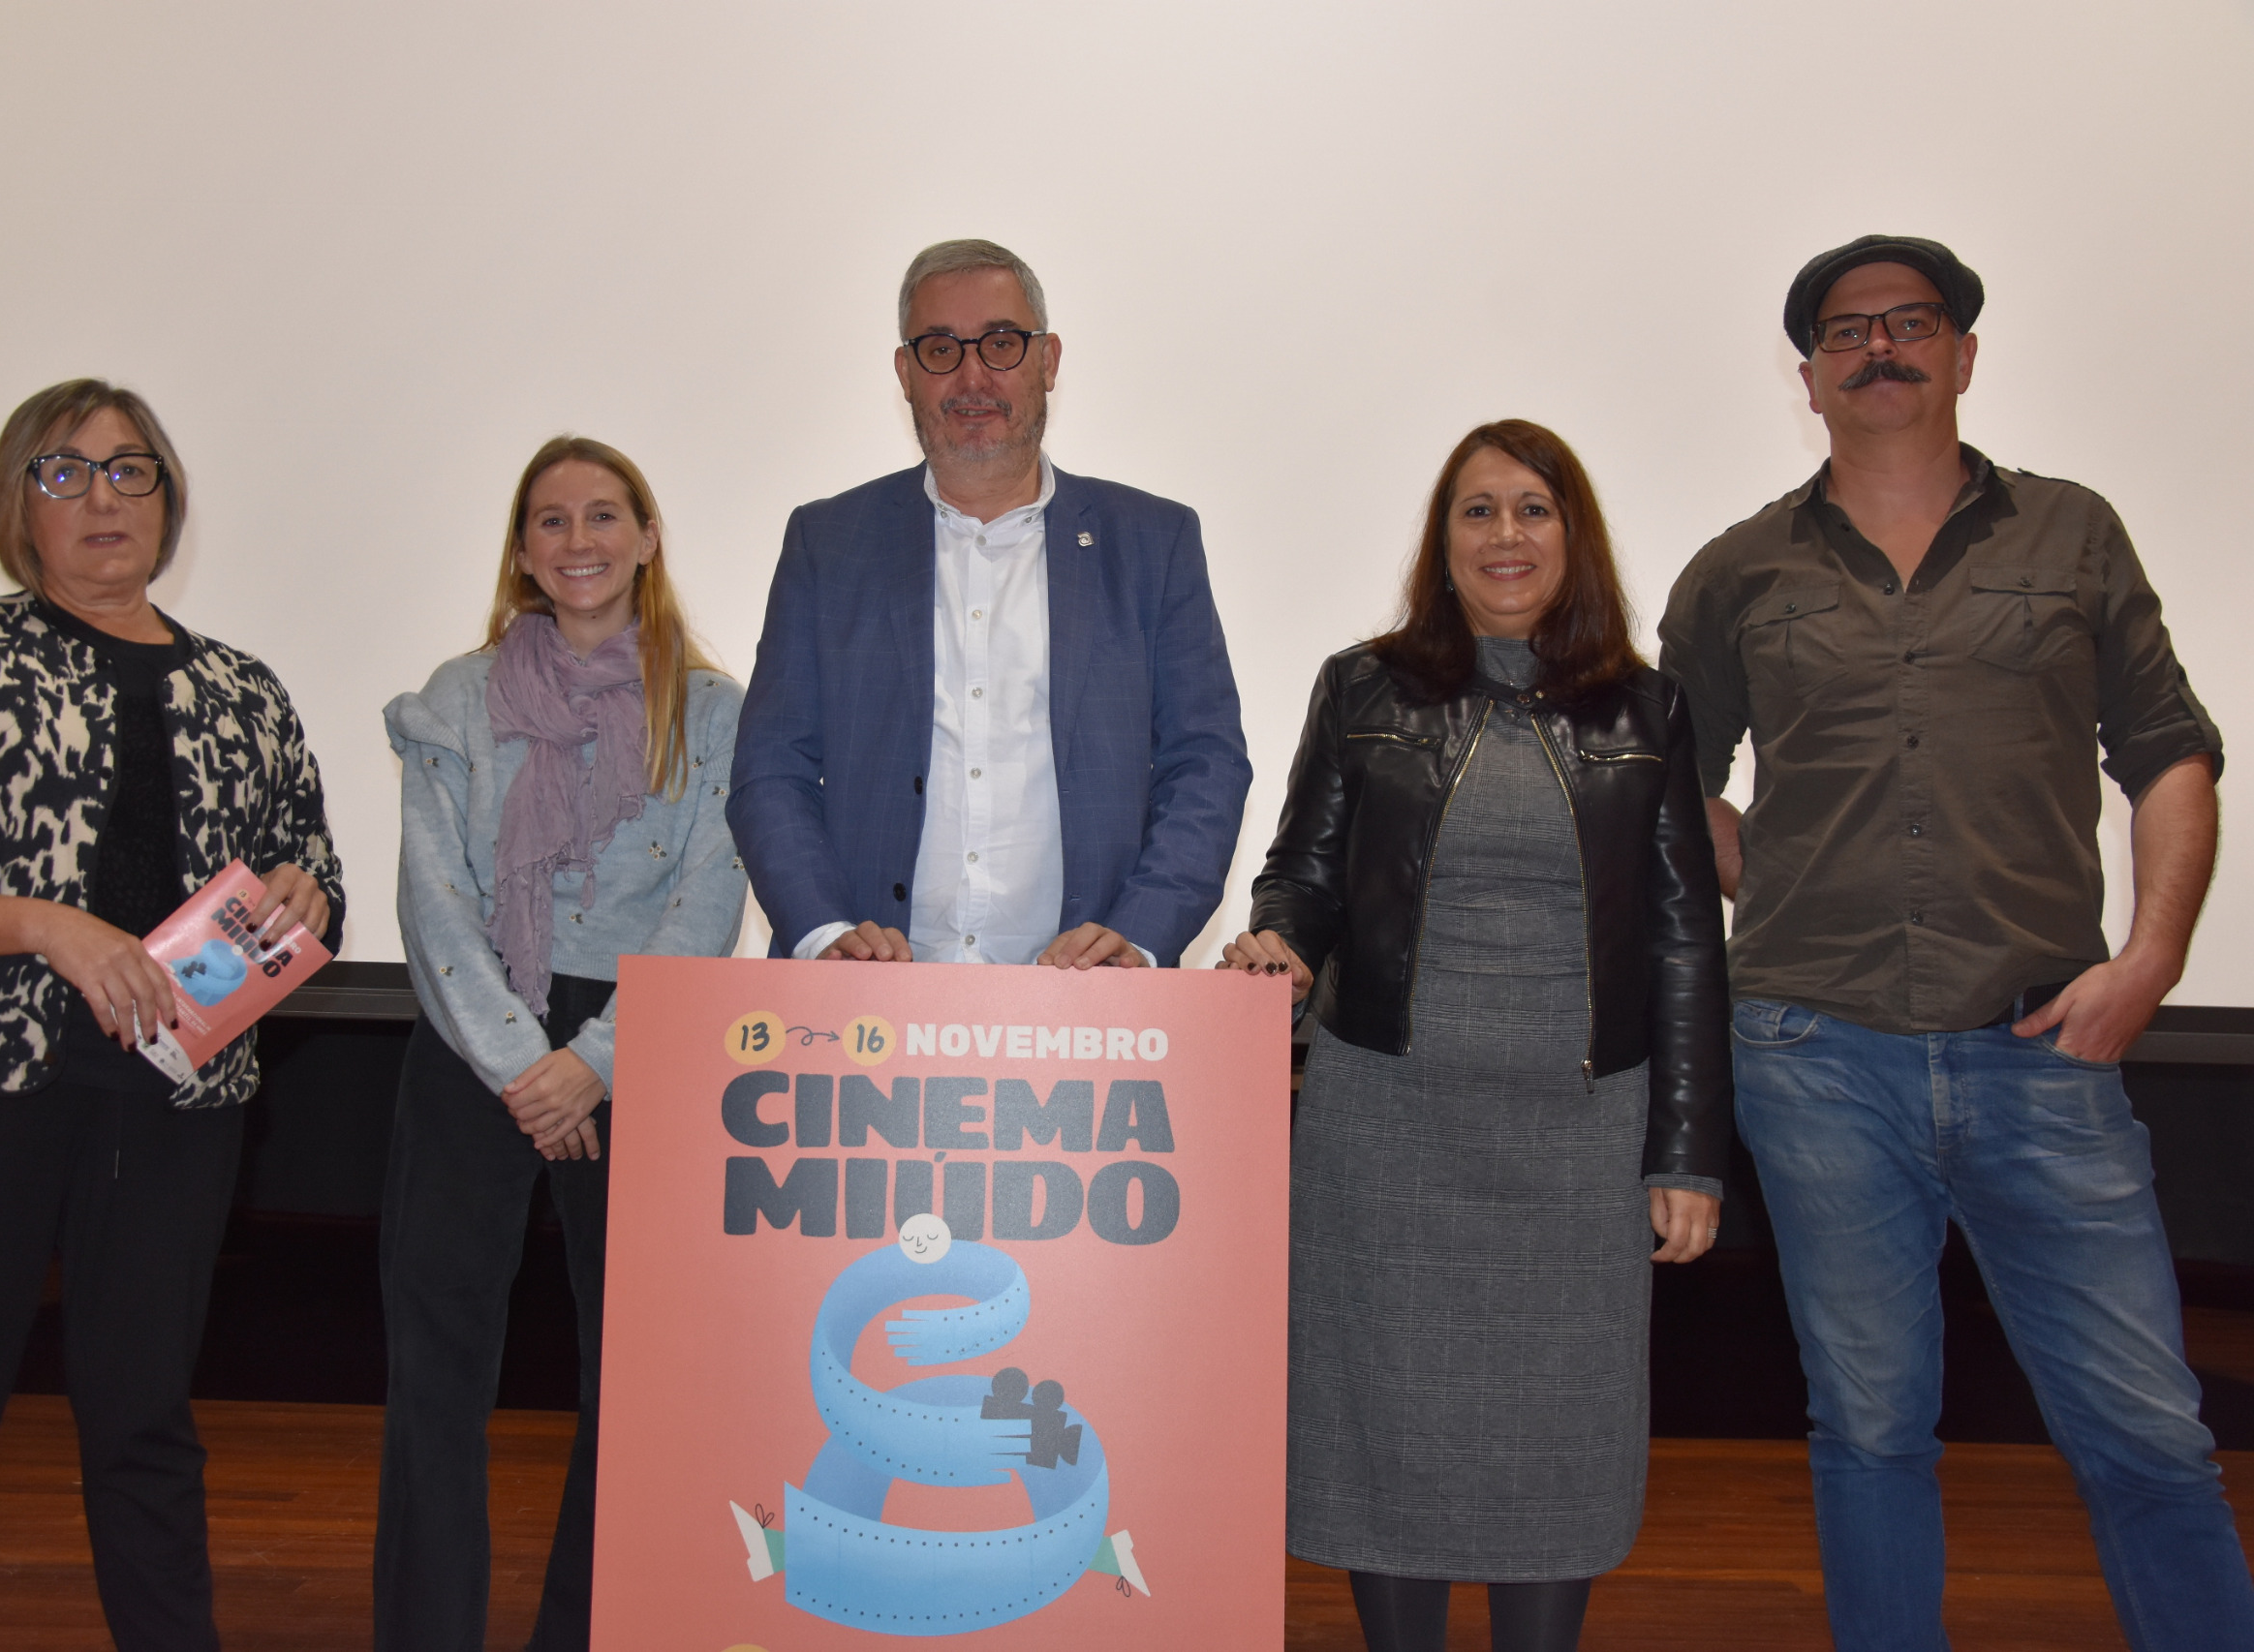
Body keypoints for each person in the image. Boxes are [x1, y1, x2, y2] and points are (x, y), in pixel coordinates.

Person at [1657, 234, 2254, 1651]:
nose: (1881, 347)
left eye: (1911, 321)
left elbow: (2169, 751)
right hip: (1816, 1054)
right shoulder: (1738, 570)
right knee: (1870, 1427)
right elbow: (1668, 779)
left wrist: (2152, 963)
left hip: (2044, 1049)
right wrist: (1768, 876)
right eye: (1847, 330)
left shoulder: (2073, 533)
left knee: (2147, 1429)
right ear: (1809, 377)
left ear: (1964, 355)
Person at [0, 379, 344, 1652]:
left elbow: (308, 868)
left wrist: (308, 891)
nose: (104, 495)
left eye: (131, 469)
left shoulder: (244, 693)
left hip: (173, 1108)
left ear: (167, 500)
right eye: (66, 470)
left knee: (147, 1428)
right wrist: (45, 922)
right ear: (18, 503)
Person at [1224, 419, 1731, 1652]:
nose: (1506, 534)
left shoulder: (1648, 707)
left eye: (1533, 508)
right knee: (1386, 1429)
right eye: (1478, 509)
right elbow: (1303, 871)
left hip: (1579, 1134)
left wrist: (1686, 1151)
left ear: (1573, 536)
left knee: (1558, 1435)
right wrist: (1280, 939)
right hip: (1385, 1121)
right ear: (1442, 540)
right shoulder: (1361, 687)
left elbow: (1682, 940)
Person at [375, 436, 747, 1651]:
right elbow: (434, 897)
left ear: (646, 539)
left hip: (637, 1047)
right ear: (523, 552)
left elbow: (706, 905)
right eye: (550, 519)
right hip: (473, 1036)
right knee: (435, 1374)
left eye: (602, 515)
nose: (576, 539)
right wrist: (519, 1064)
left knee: (630, 1380)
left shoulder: (713, 711)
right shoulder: (458, 695)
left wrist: (592, 1061)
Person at [728, 238, 1251, 970]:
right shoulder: (828, 543)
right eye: (941, 349)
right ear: (906, 373)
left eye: (1001, 344)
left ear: (1048, 360)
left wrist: (1138, 936)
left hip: (1087, 996)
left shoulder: (1152, 543)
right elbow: (770, 768)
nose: (972, 377)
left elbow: (1206, 764)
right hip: (864, 998)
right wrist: (822, 933)